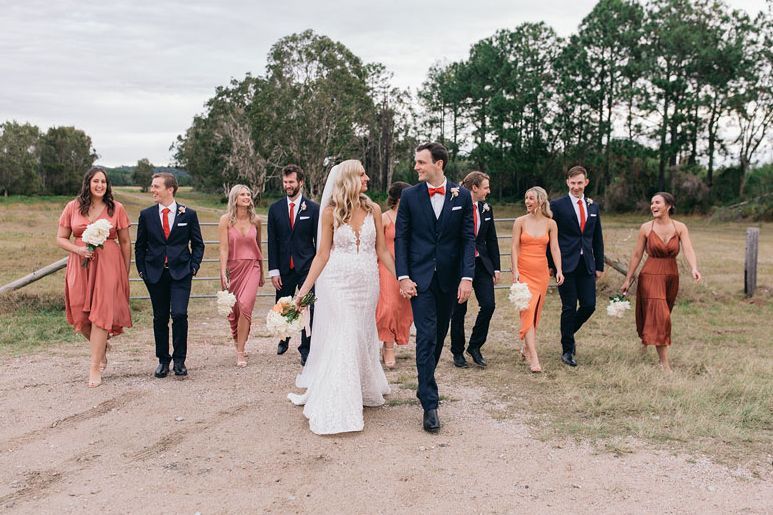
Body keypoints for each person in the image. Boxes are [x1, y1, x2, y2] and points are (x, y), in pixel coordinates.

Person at [287, 160, 395, 435]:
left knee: (361, 333)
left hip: (368, 284)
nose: (367, 178)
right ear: (349, 179)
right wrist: (303, 292)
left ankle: (361, 387)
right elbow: (322, 254)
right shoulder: (330, 213)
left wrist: (402, 276)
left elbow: (382, 252)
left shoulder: (373, 209)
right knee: (345, 333)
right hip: (337, 284)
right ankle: (341, 403)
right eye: (362, 174)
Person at [395, 142, 475, 433]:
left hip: (450, 279)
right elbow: (401, 239)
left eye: (421, 162)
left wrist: (467, 277)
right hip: (420, 279)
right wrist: (402, 275)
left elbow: (468, 239)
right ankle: (430, 403)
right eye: (416, 162)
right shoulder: (410, 196)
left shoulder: (462, 196)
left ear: (438, 164)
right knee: (426, 335)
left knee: (439, 334)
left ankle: (423, 381)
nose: (416, 167)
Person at [56, 166, 132, 388]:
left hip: (108, 266)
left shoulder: (116, 208)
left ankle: (95, 367)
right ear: (88, 183)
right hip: (80, 265)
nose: (100, 185)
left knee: (100, 314)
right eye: (96, 181)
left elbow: (126, 242)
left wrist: (124, 273)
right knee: (80, 315)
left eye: (104, 182)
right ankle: (102, 348)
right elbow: (61, 238)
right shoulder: (73, 207)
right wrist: (77, 249)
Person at [621, 192, 701, 372]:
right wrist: (628, 278)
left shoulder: (680, 227)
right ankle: (665, 365)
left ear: (669, 206)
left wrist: (694, 268)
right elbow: (636, 254)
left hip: (671, 275)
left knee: (663, 314)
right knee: (661, 315)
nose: (653, 206)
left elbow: (688, 249)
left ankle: (648, 338)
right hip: (650, 274)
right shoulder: (646, 228)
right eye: (651, 203)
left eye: (657, 203)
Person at [135, 172, 204, 379]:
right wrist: (142, 271)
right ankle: (163, 361)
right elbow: (140, 246)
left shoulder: (188, 214)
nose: (152, 190)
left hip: (181, 273)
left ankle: (180, 360)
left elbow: (198, 244)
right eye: (152, 186)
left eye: (156, 186)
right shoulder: (146, 215)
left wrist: (193, 266)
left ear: (170, 189)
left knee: (180, 314)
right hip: (155, 275)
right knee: (160, 317)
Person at [548, 166, 604, 367]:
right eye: (572, 183)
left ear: (586, 182)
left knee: (589, 305)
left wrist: (599, 265)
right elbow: (550, 238)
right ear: (567, 183)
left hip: (587, 264)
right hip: (565, 264)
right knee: (569, 306)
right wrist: (551, 265)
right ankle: (567, 350)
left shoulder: (593, 206)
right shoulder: (557, 205)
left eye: (580, 183)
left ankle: (567, 332)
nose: (576, 187)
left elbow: (597, 238)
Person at [267, 164, 319, 366]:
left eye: (291, 182)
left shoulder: (313, 209)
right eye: (285, 182)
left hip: (306, 268)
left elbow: (317, 241)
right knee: (284, 305)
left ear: (300, 182)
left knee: (307, 308)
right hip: (283, 268)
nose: (288, 185)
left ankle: (305, 348)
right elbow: (272, 241)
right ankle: (284, 338)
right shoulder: (275, 209)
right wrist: (274, 270)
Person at [449, 171, 501, 369]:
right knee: (458, 310)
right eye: (486, 187)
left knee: (488, 305)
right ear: (475, 188)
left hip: (482, 264)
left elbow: (492, 240)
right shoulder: (454, 205)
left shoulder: (486, 209)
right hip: (459, 265)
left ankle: (475, 346)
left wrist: (496, 268)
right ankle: (457, 351)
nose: (489, 191)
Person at [511, 187, 564, 373]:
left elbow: (555, 248)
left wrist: (559, 270)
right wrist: (515, 270)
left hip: (541, 274)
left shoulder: (551, 224)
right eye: (525, 198)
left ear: (541, 200)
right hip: (524, 273)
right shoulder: (520, 222)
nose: (527, 201)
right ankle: (534, 358)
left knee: (535, 314)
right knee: (527, 311)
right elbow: (514, 247)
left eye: (531, 198)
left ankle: (527, 346)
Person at [218, 184, 264, 367]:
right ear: (234, 198)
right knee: (234, 310)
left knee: (245, 305)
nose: (247, 197)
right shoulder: (226, 220)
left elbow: (259, 247)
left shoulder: (256, 220)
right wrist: (223, 272)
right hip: (233, 267)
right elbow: (223, 248)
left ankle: (241, 351)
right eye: (242, 194)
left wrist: (261, 270)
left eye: (248, 194)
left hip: (252, 266)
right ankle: (238, 341)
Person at [375, 181, 412, 369]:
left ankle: (394, 339)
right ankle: (388, 346)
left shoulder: (414, 217)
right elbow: (377, 246)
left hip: (408, 268)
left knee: (403, 308)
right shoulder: (384, 218)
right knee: (388, 307)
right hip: (387, 267)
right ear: (399, 198)